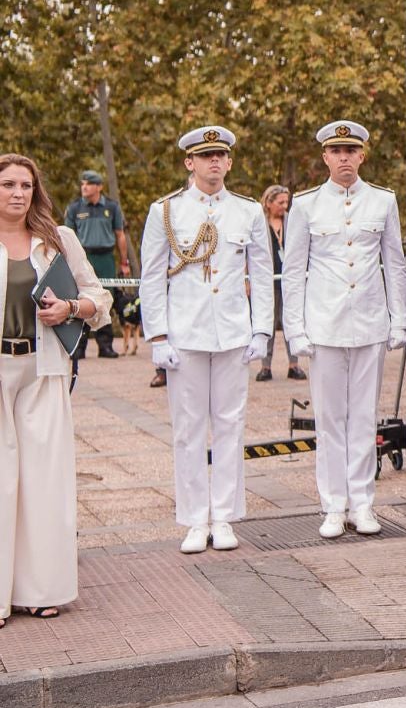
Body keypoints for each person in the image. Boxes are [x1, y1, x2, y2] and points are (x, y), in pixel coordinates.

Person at [139, 126, 273, 554]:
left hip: (232, 333)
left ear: (230, 162)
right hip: (186, 334)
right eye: (205, 156)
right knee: (188, 430)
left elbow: (264, 278)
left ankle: (225, 515)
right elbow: (151, 278)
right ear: (189, 163)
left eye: (220, 156)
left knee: (231, 427)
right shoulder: (166, 211)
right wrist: (157, 335)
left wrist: (262, 330)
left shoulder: (248, 211)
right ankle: (195, 518)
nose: (214, 162)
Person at [281, 122, 406, 539]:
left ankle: (363, 503)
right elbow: (294, 271)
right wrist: (295, 331)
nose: (344, 158)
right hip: (324, 325)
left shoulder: (382, 201)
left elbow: (396, 263)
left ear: (362, 155)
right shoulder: (305, 205)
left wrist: (399, 319)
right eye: (336, 150)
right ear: (324, 157)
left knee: (364, 418)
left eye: (351, 150)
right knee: (330, 419)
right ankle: (333, 505)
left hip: (369, 323)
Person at [0, 154, 110, 623]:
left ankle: (42, 589)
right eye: (7, 184)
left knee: (44, 482)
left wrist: (70, 307)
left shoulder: (58, 239)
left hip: (44, 368)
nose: (17, 193)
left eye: (25, 184)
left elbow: (99, 297)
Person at [61, 171, 128, 360]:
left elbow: (120, 235)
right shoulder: (74, 208)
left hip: (105, 257)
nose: (84, 187)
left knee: (105, 298)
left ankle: (105, 345)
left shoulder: (112, 207)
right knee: (80, 297)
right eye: (82, 184)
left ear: (99, 187)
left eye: (89, 184)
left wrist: (124, 262)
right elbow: (67, 236)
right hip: (82, 256)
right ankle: (79, 346)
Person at [256, 185, 303, 382]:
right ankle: (265, 367)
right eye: (280, 202)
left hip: (289, 281)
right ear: (268, 202)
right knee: (268, 323)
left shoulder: (291, 222)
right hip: (267, 281)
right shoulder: (260, 223)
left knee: (290, 322)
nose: (284, 206)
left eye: (286, 202)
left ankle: (294, 365)